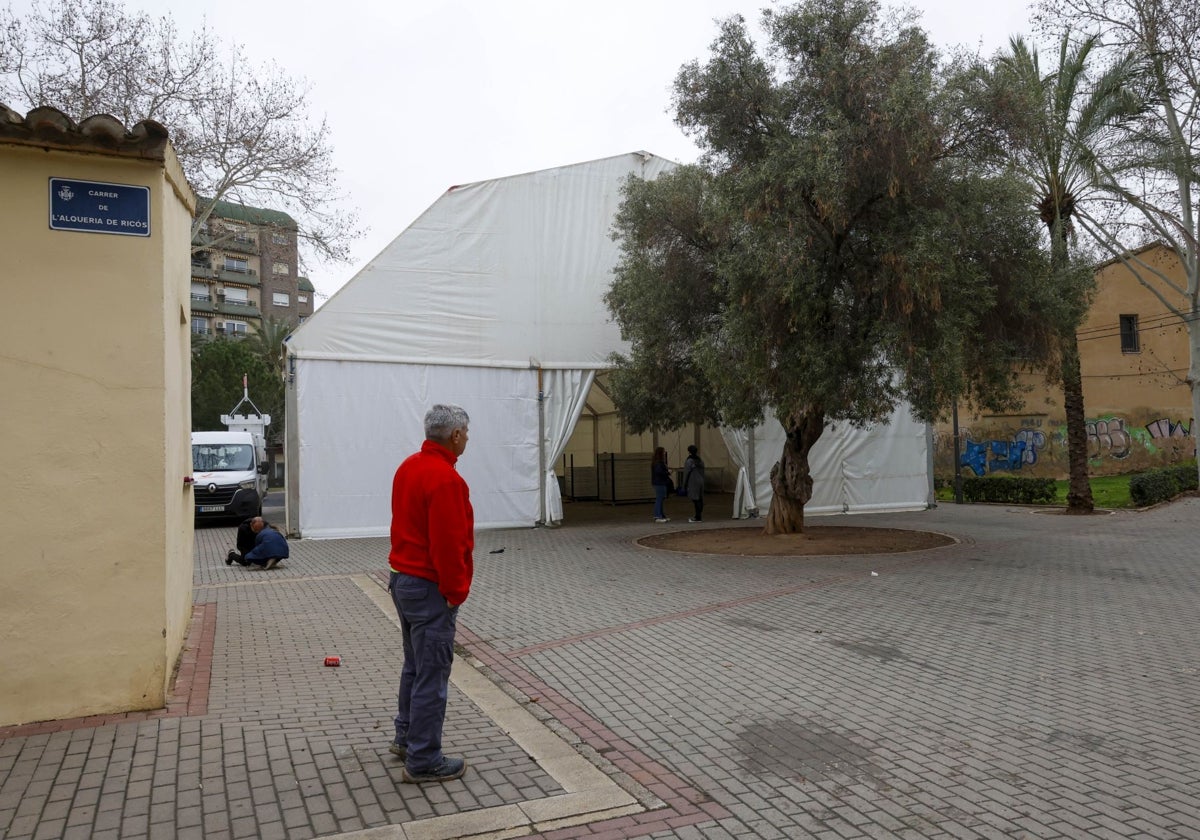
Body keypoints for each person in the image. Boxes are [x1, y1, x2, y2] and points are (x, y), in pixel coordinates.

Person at [387, 404, 474, 784]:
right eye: (466, 433)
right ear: (455, 435)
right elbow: (448, 546)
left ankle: (406, 738)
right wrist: (455, 593)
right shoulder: (446, 480)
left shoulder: (408, 467)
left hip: (402, 580)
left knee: (415, 667)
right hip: (429, 588)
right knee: (432, 676)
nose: (468, 438)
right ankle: (424, 759)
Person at [683, 444, 705, 522]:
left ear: (689, 452)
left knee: (695, 499)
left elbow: (686, 473)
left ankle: (697, 517)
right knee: (700, 499)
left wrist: (684, 484)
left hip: (693, 481)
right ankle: (699, 515)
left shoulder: (689, 461)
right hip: (701, 481)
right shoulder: (700, 460)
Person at [650, 447, 672, 522]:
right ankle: (658, 516)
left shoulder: (656, 462)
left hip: (659, 482)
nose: (664, 453)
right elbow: (659, 472)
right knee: (659, 499)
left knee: (661, 499)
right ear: (660, 453)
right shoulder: (659, 463)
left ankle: (661, 515)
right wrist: (668, 472)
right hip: (659, 483)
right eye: (663, 452)